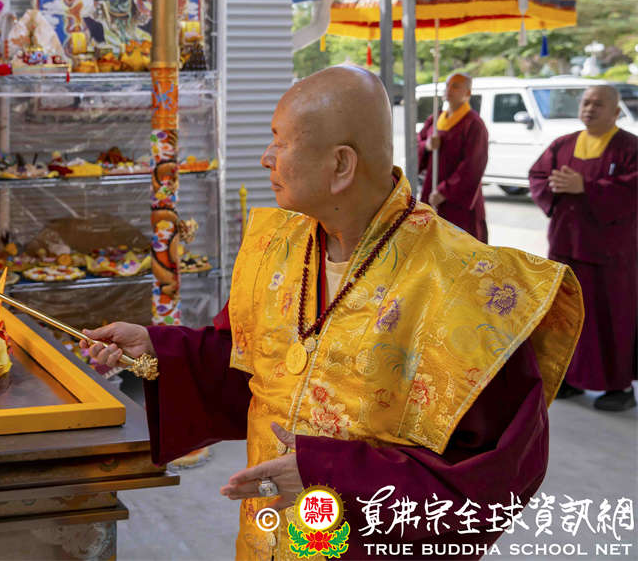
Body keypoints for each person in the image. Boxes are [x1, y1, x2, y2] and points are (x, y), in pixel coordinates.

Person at [83, 66, 582, 560]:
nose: (265, 157)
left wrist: (329, 475)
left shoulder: (466, 286)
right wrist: (159, 347)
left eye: (280, 142)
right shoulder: (277, 246)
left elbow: (494, 477)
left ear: (341, 165)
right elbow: (249, 357)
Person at [528, 84, 637, 412]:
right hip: (566, 245)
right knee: (568, 317)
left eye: (598, 104)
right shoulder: (563, 144)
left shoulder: (629, 148)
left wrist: (586, 187)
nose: (589, 108)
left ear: (615, 112)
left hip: (610, 254)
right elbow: (537, 175)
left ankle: (619, 386)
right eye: (586, 102)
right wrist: (553, 186)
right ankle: (571, 378)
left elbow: (632, 190)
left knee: (610, 319)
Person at [416, 72, 488, 241]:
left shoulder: (474, 124)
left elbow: (473, 166)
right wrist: (427, 146)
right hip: (430, 191)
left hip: (457, 199)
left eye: (455, 86)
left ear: (468, 93)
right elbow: (416, 146)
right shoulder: (434, 120)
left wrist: (444, 192)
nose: (449, 89)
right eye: (447, 85)